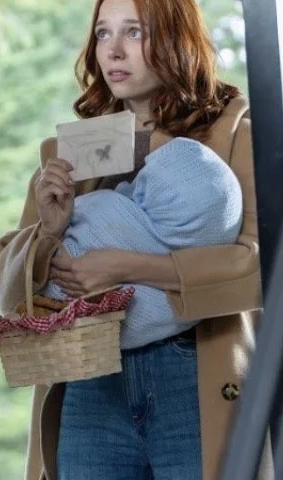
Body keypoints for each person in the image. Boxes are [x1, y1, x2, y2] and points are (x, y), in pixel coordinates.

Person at [0, 0, 281, 480]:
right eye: (102, 31)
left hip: (195, 384)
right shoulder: (73, 149)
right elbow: (7, 285)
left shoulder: (236, 125)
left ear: (174, 39)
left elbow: (267, 262)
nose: (113, 49)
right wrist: (47, 232)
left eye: (134, 31)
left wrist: (132, 266)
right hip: (92, 390)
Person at [42, 136, 243, 350]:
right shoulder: (70, 144)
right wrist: (51, 229)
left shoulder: (233, 133)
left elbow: (259, 270)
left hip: (187, 354)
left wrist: (122, 267)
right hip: (82, 356)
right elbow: (11, 288)